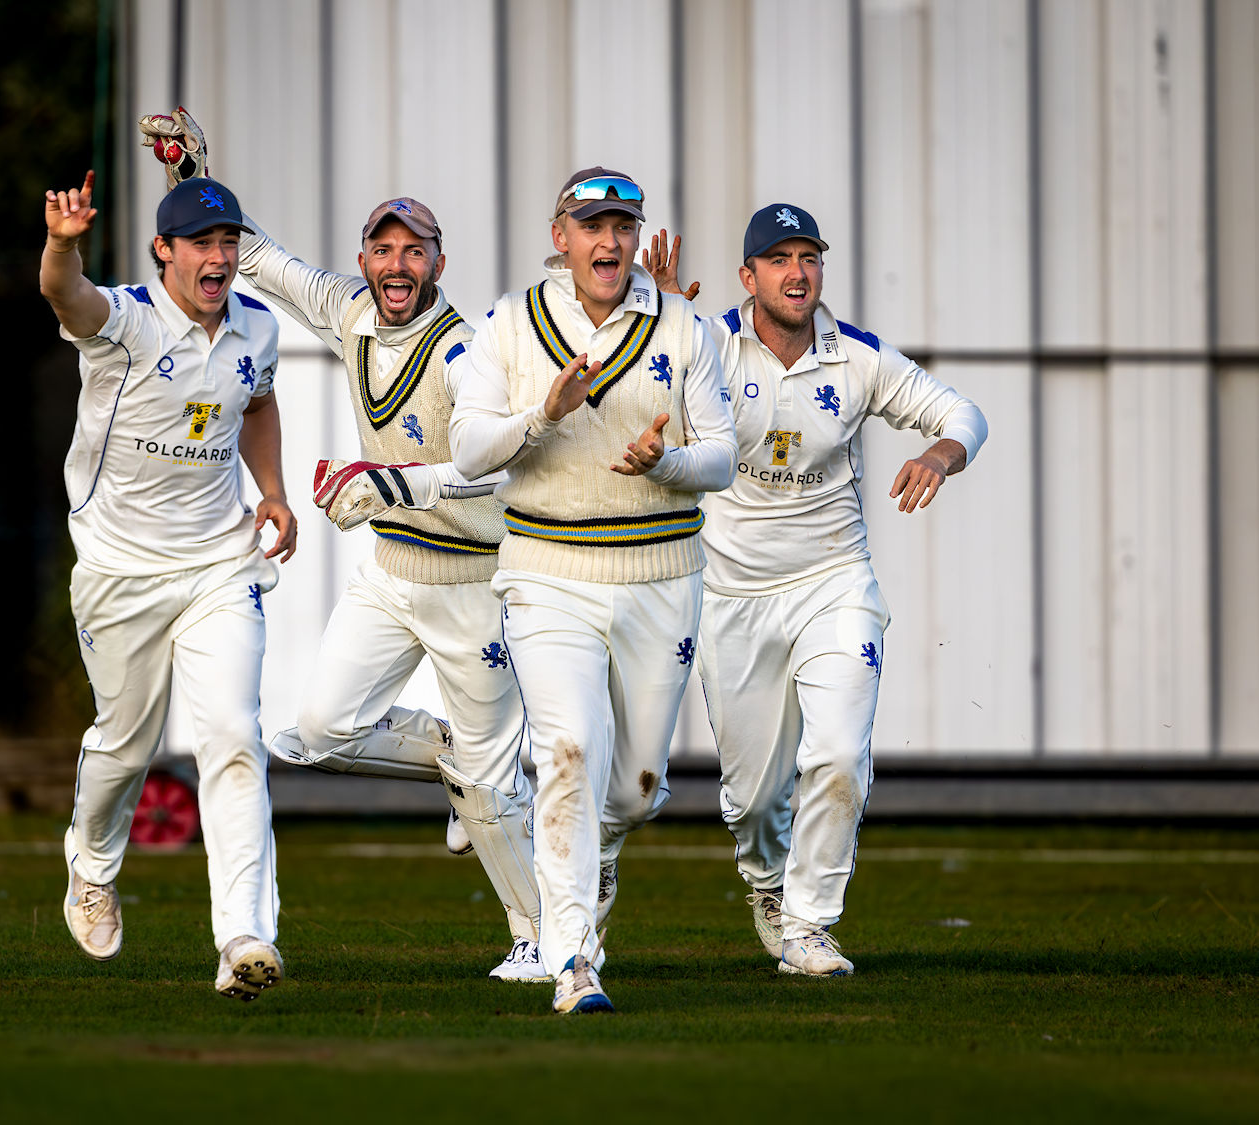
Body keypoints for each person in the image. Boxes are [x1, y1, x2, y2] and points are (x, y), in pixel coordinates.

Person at [135, 112, 544, 982]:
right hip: (389, 578)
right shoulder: (350, 310)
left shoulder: (468, 353)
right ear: (365, 260)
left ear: (439, 263)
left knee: (497, 793)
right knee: (317, 732)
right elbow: (256, 259)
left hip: (475, 583)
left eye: (415, 251)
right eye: (383, 250)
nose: (397, 267)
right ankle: (454, 757)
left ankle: (541, 938)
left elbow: (498, 471)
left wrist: (387, 483)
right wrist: (192, 175)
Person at [648, 204, 988, 976]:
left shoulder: (856, 355)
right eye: (779, 259)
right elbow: (645, 409)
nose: (797, 272)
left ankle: (809, 924)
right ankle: (767, 882)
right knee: (754, 797)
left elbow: (962, 412)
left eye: (809, 257)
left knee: (836, 753)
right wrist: (664, 323)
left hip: (835, 582)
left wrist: (939, 452)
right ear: (749, 276)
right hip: (731, 594)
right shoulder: (705, 345)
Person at [450, 168, 737, 1014]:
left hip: (662, 576)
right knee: (568, 749)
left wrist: (668, 462)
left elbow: (721, 454)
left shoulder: (684, 324)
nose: (608, 242)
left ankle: (599, 847)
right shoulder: (509, 321)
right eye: (590, 226)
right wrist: (544, 412)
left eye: (621, 225)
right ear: (560, 236)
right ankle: (572, 957)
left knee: (633, 789)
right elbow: (469, 450)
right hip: (547, 571)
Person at [40, 168, 297, 1000]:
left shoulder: (255, 329)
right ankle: (91, 861)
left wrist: (274, 492)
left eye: (229, 242)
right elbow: (66, 296)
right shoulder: (127, 320)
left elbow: (257, 405)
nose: (219, 257)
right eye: (203, 244)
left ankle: (244, 937)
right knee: (126, 742)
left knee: (232, 735)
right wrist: (60, 245)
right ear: (165, 252)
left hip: (220, 563)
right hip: (119, 568)